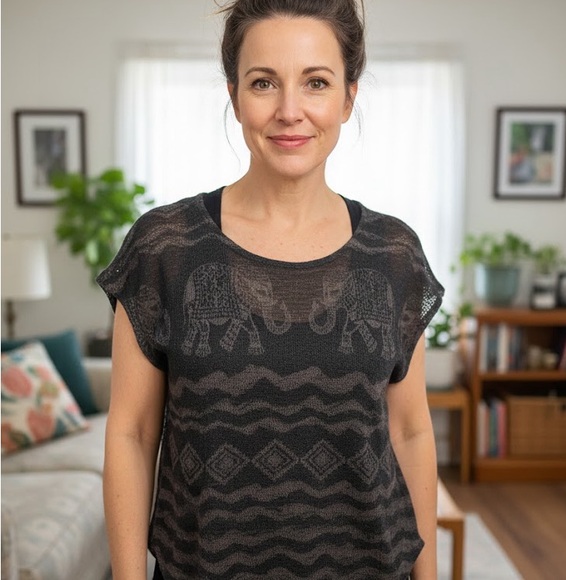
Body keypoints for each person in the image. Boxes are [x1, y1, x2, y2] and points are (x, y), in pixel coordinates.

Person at [97, 0, 444, 578]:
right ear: (234, 96)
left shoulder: (394, 253)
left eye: (316, 83)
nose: (289, 111)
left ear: (348, 98)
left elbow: (410, 431)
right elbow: (131, 434)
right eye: (263, 83)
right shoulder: (165, 247)